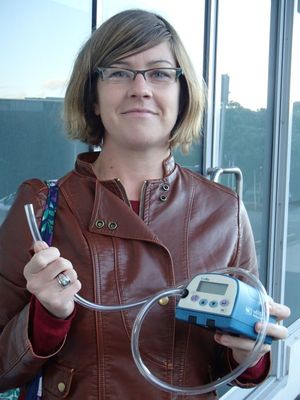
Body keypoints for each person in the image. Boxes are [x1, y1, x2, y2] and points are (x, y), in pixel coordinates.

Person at [0, 9, 290, 400]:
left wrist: (249, 353)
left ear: (181, 94)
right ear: (94, 98)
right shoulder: (40, 207)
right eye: (119, 72)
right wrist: (46, 317)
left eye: (159, 73)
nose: (140, 88)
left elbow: (233, 367)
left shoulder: (225, 213)